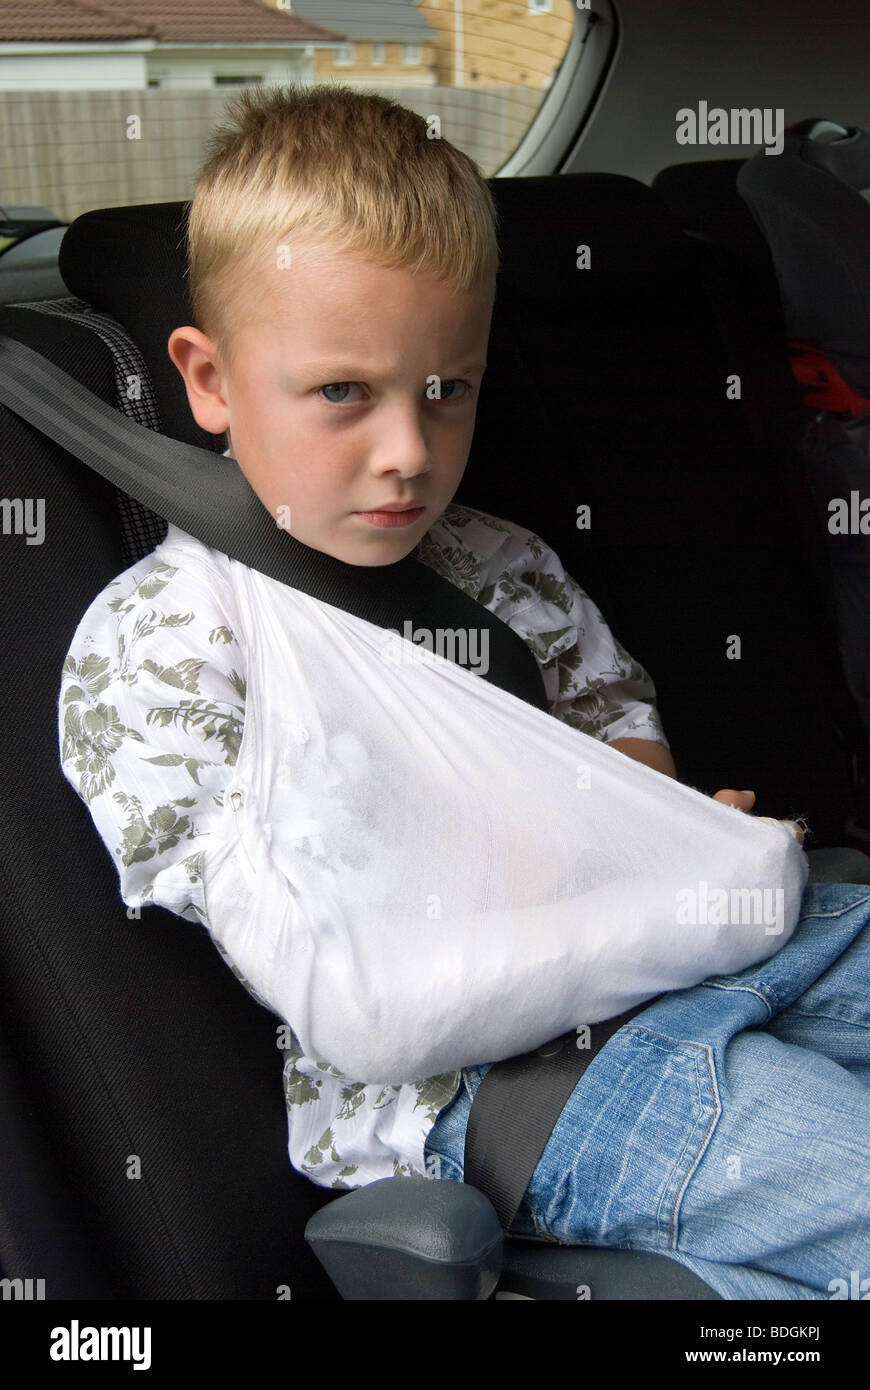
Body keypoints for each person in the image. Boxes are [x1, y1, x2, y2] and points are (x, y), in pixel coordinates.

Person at [58, 84, 870, 1300]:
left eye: (450, 388)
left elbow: (626, 769)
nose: (409, 450)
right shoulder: (165, 644)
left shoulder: (507, 565)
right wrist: (667, 863)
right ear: (212, 380)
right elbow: (349, 974)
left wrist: (671, 843)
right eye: (344, 392)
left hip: (721, 964)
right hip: (509, 1081)